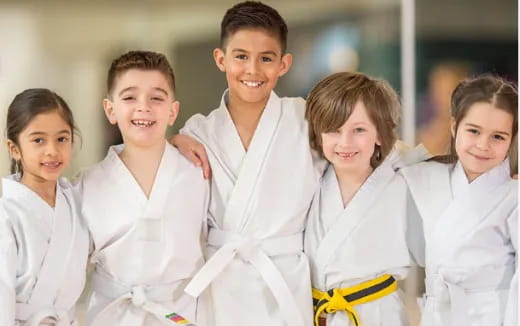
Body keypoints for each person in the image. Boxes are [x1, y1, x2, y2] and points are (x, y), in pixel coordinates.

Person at [171, 2, 324, 325]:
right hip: (222, 283)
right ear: (220, 59)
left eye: (266, 59)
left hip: (284, 278)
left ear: (284, 64)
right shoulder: (198, 130)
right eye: (241, 56)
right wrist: (168, 145)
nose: (253, 70)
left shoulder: (307, 119)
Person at [77, 50, 211, 326]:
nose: (143, 107)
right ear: (110, 110)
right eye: (129, 97)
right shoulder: (86, 185)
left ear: (173, 111)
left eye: (157, 98)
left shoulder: (199, 173)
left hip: (183, 313)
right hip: (112, 316)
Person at [400, 75, 518, 326]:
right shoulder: (426, 175)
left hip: (492, 316)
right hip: (437, 314)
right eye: (473, 131)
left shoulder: (514, 194)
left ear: (512, 140)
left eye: (498, 136)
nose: (482, 145)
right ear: (454, 127)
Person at [304, 72, 414, 326]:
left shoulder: (405, 184)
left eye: (359, 130)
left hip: (378, 315)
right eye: (333, 130)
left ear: (380, 134)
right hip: (318, 313)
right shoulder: (312, 178)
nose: (345, 142)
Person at [0, 88, 89, 325]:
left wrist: (178, 141)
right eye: (38, 140)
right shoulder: (6, 214)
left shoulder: (76, 198)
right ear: (14, 149)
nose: (52, 150)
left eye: (62, 139)